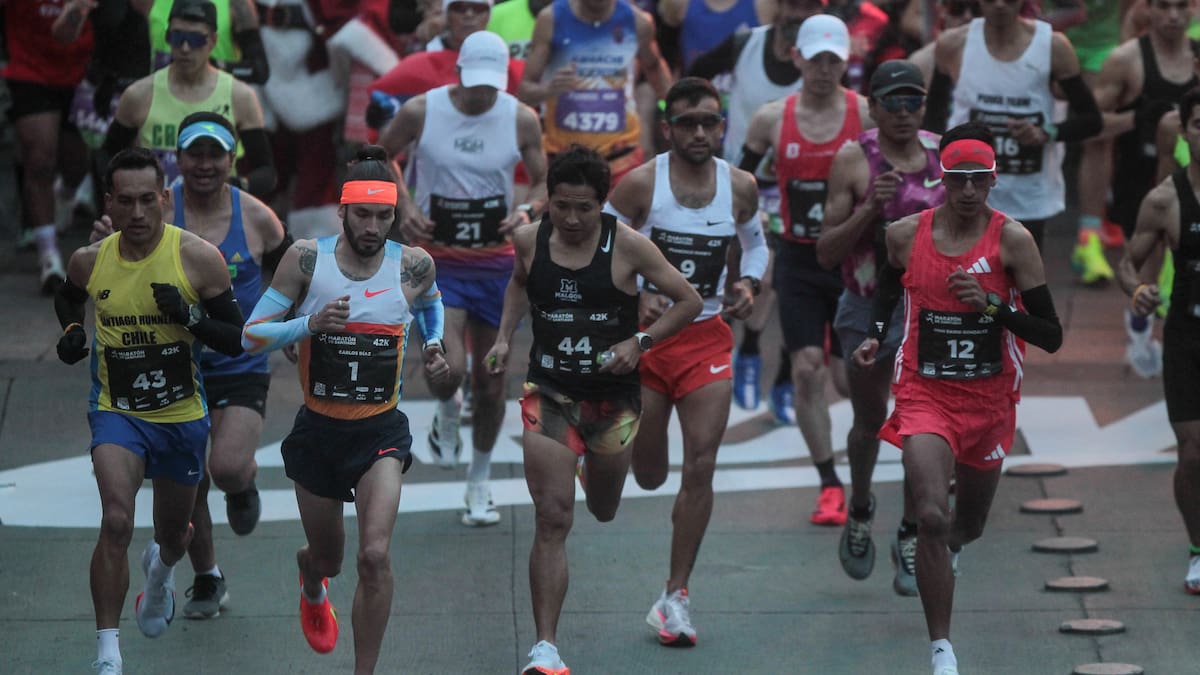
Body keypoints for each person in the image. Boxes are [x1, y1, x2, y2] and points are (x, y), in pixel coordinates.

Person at [484, 145, 702, 674]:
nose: (573, 218)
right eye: (562, 206)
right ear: (549, 202)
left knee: (602, 508)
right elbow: (517, 285)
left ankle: (587, 465)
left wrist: (641, 342)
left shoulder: (629, 247)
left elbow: (689, 300)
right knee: (553, 517)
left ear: (603, 205)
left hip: (613, 398)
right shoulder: (529, 240)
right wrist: (503, 339)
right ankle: (546, 647)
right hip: (550, 390)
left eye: (585, 207)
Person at [855, 122, 1063, 675]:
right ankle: (941, 648)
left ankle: (952, 551)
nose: (968, 190)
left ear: (994, 181)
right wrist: (877, 332)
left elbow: (1051, 334)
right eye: (958, 180)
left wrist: (992, 308)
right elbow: (885, 286)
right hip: (925, 393)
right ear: (941, 180)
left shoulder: (1013, 241)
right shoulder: (905, 234)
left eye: (979, 180)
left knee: (965, 526)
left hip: (990, 401)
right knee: (930, 515)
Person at [240, 145, 449, 674]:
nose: (374, 226)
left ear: (395, 215)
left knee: (374, 556)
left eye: (384, 216)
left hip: (380, 432)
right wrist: (308, 326)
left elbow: (430, 303)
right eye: (363, 214)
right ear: (343, 211)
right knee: (330, 557)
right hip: (319, 432)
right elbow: (251, 336)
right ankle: (312, 579)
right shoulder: (308, 259)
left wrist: (435, 343)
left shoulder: (415, 264)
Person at [53, 147, 246, 675]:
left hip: (181, 415)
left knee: (173, 534)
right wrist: (72, 332)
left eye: (147, 200)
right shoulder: (90, 260)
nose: (137, 214)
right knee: (116, 518)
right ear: (108, 203)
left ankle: (160, 573)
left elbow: (235, 340)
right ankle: (108, 654)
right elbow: (70, 299)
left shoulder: (198, 257)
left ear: (165, 197)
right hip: (117, 410)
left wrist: (188, 316)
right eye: (125, 202)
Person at [91, 112, 290, 618]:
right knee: (192, 475)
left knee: (224, 467)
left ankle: (242, 485)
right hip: (175, 363)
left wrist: (296, 325)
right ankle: (207, 577)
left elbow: (292, 271)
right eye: (194, 155)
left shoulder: (258, 216)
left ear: (231, 160)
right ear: (176, 161)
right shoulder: (151, 206)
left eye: (215, 155)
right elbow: (107, 260)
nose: (204, 165)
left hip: (237, 360)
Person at [604, 77, 767, 646]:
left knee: (701, 463)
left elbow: (756, 242)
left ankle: (675, 597)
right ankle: (604, 456)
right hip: (646, 343)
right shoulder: (641, 185)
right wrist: (631, 292)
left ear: (722, 127)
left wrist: (747, 282)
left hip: (706, 340)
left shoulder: (740, 186)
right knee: (648, 476)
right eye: (688, 123)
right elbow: (597, 243)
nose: (700, 133)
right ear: (667, 127)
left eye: (710, 123)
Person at [380, 30, 548, 525]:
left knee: (492, 383)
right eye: (473, 84)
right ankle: (448, 409)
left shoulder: (520, 116)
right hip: (438, 262)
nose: (480, 94)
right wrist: (404, 205)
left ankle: (479, 480)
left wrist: (526, 210)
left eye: (489, 86)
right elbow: (379, 154)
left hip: (496, 265)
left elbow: (542, 179)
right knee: (446, 368)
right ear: (457, 73)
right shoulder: (421, 111)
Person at [816, 59, 944, 596]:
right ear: (872, 107)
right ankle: (862, 507)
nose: (904, 112)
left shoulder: (943, 155)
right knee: (870, 422)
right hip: (866, 308)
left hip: (931, 314)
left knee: (923, 429)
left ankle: (911, 533)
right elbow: (825, 253)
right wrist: (871, 208)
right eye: (892, 101)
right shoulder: (853, 159)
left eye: (913, 100)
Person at [741, 13, 872, 526]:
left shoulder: (865, 115)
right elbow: (737, 183)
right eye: (814, 59)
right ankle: (829, 483)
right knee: (806, 368)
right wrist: (742, 240)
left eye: (832, 60)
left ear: (845, 62)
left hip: (852, 263)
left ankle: (867, 465)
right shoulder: (771, 119)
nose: (823, 69)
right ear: (796, 57)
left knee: (850, 376)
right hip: (796, 258)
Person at [686, 0, 825, 413]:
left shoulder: (823, 62)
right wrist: (704, 122)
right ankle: (738, 352)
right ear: (778, 9)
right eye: (792, 8)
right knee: (745, 270)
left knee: (787, 278)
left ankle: (774, 370)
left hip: (800, 184)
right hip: (741, 177)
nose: (797, 17)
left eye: (807, 11)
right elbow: (691, 82)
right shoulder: (745, 42)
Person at [1117, 85, 1200, 596]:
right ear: (1186, 132)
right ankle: (1197, 548)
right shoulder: (1166, 199)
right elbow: (1128, 263)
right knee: (1192, 455)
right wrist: (1139, 290)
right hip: (1188, 336)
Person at [935, 0, 1102, 252]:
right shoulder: (953, 44)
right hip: (966, 193)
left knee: (1022, 284)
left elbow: (1091, 120)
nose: (1000, 5)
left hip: (1027, 196)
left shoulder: (1052, 46)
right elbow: (932, 120)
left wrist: (1046, 133)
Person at [1087, 0, 1196, 371]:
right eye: (1164, 6)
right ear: (1146, 9)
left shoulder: (1198, 59)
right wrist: (1136, 118)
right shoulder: (1125, 60)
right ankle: (1141, 327)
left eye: (1182, 6)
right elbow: (1091, 126)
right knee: (1146, 258)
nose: (1173, 16)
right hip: (1139, 175)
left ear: (1194, 9)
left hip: (1189, 171)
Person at [103, 0, 276, 195]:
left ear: (212, 41)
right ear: (169, 38)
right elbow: (108, 160)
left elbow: (266, 172)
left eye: (196, 40)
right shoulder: (138, 95)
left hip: (216, 216)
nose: (185, 48)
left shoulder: (241, 97)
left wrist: (228, 187)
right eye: (178, 38)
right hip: (157, 218)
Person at [518, 0, 674, 187]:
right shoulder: (551, 18)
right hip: (564, 159)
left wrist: (676, 113)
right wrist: (549, 89)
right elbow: (524, 92)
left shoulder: (637, 21)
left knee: (623, 217)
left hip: (622, 157)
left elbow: (655, 69)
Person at [4, 0, 97, 293]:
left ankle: (65, 195)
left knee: (77, 166)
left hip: (81, 75)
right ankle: (49, 257)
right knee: (40, 160)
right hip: (29, 71)